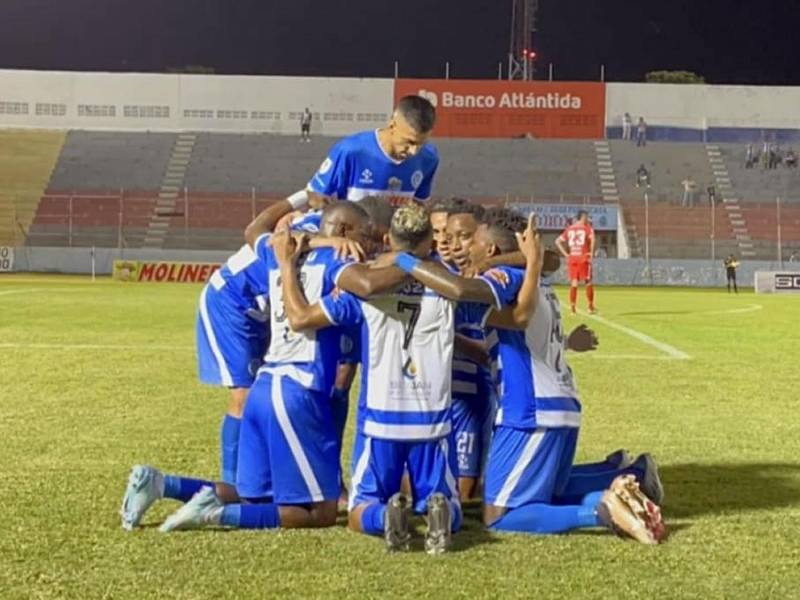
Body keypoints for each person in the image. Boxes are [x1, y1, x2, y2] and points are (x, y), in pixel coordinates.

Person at [120, 202, 408, 533]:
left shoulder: (279, 252)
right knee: (321, 513)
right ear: (344, 232)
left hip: (265, 385)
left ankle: (162, 485)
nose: (371, 244)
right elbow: (369, 285)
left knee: (253, 498)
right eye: (367, 235)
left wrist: (311, 241)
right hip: (298, 390)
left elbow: (255, 232)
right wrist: (413, 260)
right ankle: (212, 514)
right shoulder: (339, 260)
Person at [393, 211, 666, 544]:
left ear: (490, 249)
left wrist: (404, 261)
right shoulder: (535, 278)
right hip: (558, 404)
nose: (463, 245)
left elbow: (464, 291)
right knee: (548, 489)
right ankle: (625, 477)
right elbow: (508, 333)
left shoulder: (504, 276)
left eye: (471, 238)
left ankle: (603, 510)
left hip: (530, 409)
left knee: (501, 515)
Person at [277, 204, 463, 554]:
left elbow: (301, 318)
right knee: (446, 498)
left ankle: (384, 517)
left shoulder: (363, 288)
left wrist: (288, 265)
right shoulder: (447, 279)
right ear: (429, 242)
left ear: (389, 238)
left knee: (360, 507)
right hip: (433, 420)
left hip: (381, 417)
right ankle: (442, 512)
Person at [305, 95, 438, 205]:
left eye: (422, 143)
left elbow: (420, 204)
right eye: (409, 142)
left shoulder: (429, 158)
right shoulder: (350, 151)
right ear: (392, 125)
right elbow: (314, 195)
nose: (414, 151)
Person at [555, 210, 596, 315]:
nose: (587, 219)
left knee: (574, 282)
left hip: (573, 258)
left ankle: (573, 308)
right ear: (582, 217)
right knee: (588, 281)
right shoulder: (587, 228)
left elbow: (557, 241)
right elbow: (593, 239)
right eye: (586, 217)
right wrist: (591, 253)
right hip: (583, 257)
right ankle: (590, 307)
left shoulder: (569, 229)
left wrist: (566, 254)